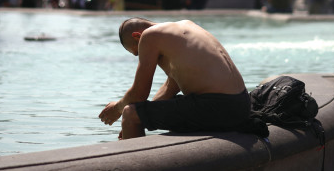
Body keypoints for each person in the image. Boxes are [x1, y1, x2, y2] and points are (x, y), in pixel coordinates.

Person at [98, 18, 249, 140]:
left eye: (137, 52)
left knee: (129, 113)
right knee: (141, 114)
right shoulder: (186, 25)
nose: (141, 54)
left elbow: (139, 94)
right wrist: (142, 119)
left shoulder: (149, 36)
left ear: (137, 36)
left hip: (218, 106)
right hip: (241, 104)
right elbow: (171, 86)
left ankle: (138, 165)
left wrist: (118, 109)